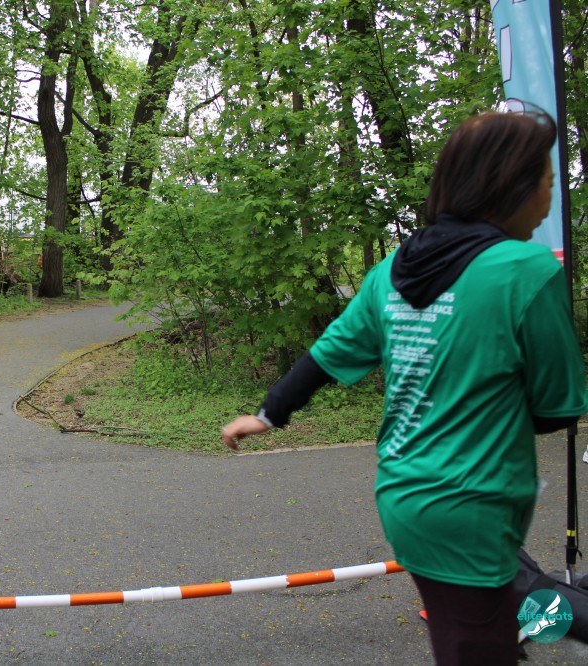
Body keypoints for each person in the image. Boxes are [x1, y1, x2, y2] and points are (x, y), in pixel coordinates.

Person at [220, 110, 587, 665]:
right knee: (478, 641)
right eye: (548, 180)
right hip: (474, 504)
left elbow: (328, 353)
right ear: (512, 186)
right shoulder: (527, 270)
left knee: (482, 624)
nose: (549, 196)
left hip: (406, 499)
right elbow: (558, 408)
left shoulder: (393, 269)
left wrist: (270, 412)